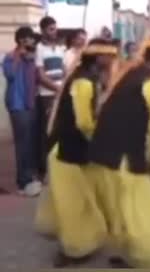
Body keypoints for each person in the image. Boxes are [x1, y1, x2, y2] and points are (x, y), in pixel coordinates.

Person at [85, 36, 150, 268]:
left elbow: (132, 109)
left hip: (103, 152)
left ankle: (125, 252)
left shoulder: (129, 75)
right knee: (140, 209)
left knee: (120, 208)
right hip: (126, 156)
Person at [34, 38, 118, 267]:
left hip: (76, 151)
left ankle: (85, 241)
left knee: (84, 200)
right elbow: (83, 123)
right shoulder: (83, 82)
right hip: (70, 152)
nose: (113, 61)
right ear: (99, 57)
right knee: (74, 204)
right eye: (110, 56)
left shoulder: (88, 78)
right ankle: (73, 249)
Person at [2, 27, 40, 196]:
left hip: (30, 103)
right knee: (22, 143)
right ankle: (22, 181)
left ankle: (29, 176)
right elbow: (10, 75)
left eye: (32, 39)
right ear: (21, 40)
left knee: (30, 141)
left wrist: (28, 57)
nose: (32, 42)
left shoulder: (30, 58)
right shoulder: (10, 57)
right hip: (17, 105)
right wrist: (19, 54)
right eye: (29, 39)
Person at [35, 16, 66, 181]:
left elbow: (64, 69)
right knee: (47, 133)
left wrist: (65, 87)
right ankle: (44, 170)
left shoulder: (60, 48)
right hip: (47, 95)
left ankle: (57, 168)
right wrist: (56, 88)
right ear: (43, 31)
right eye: (51, 29)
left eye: (55, 28)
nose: (54, 32)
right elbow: (40, 75)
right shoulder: (39, 49)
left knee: (59, 131)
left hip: (60, 94)